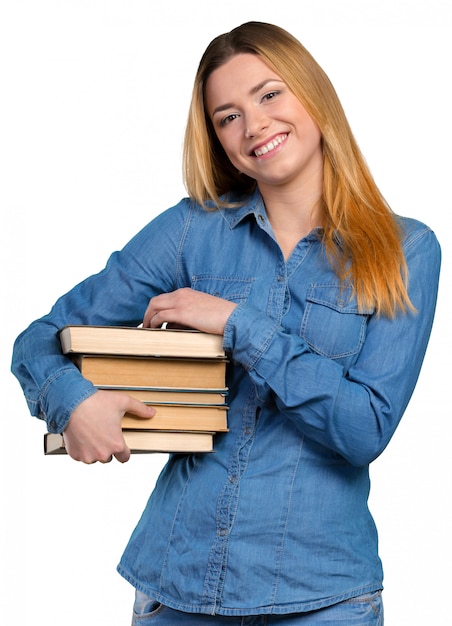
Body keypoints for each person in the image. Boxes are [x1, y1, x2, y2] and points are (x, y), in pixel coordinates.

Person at [12, 21, 440, 625]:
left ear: (313, 95)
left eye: (270, 95)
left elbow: (365, 428)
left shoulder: (405, 249)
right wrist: (71, 401)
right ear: (216, 138)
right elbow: (39, 339)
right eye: (227, 116)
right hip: (178, 586)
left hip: (324, 598)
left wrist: (239, 324)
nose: (254, 125)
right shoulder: (191, 230)